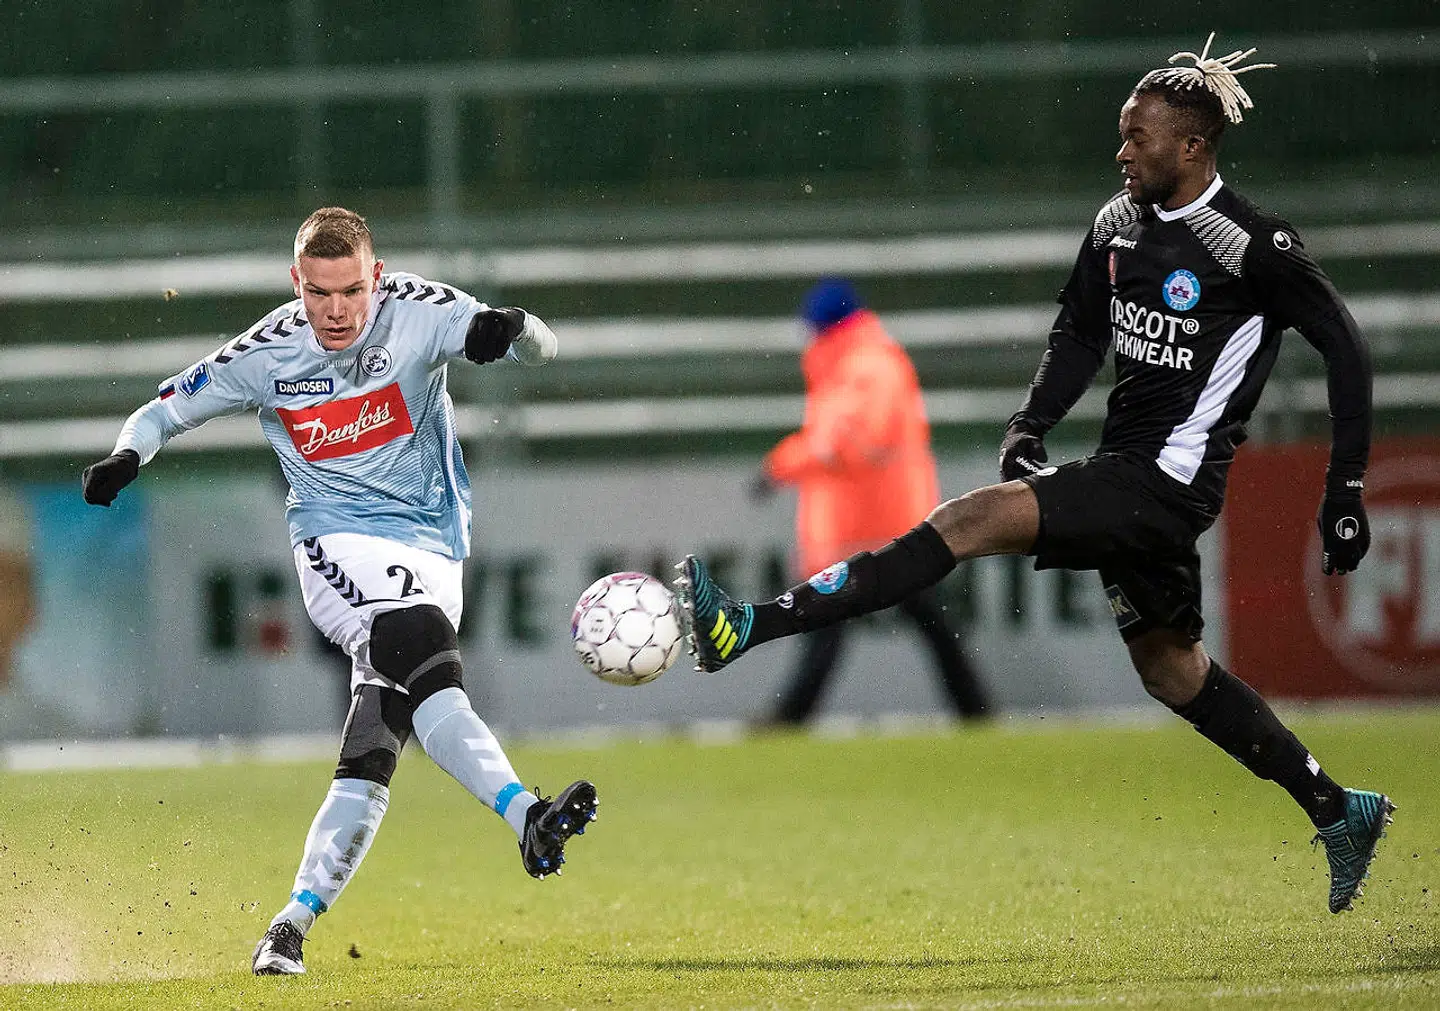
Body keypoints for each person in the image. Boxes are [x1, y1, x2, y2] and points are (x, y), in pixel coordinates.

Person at [675, 35, 1394, 914]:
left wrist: (1345, 488)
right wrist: (1030, 423)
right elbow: (1080, 333)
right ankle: (1337, 807)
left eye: (1137, 137)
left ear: (1193, 146)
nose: (1121, 151)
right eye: (1122, 134)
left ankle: (747, 625)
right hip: (1129, 473)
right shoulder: (1119, 224)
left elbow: (1345, 346)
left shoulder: (1252, 244)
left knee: (964, 521)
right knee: (1171, 669)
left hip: (1166, 482)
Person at [81, 207, 599, 975]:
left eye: (352, 290)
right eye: (319, 292)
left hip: (436, 547)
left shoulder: (422, 311)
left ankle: (288, 926)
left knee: (375, 744)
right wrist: (128, 456)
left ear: (376, 276)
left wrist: (514, 328)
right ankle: (527, 814)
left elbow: (541, 345)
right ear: (296, 282)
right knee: (426, 653)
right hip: (335, 538)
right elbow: (164, 410)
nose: (336, 310)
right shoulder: (268, 351)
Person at [755, 277, 989, 724]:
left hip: (879, 528)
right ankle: (975, 711)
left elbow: (847, 443)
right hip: (878, 525)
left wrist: (780, 466)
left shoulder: (866, 368)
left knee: (847, 625)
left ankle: (790, 717)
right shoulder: (859, 364)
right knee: (920, 623)